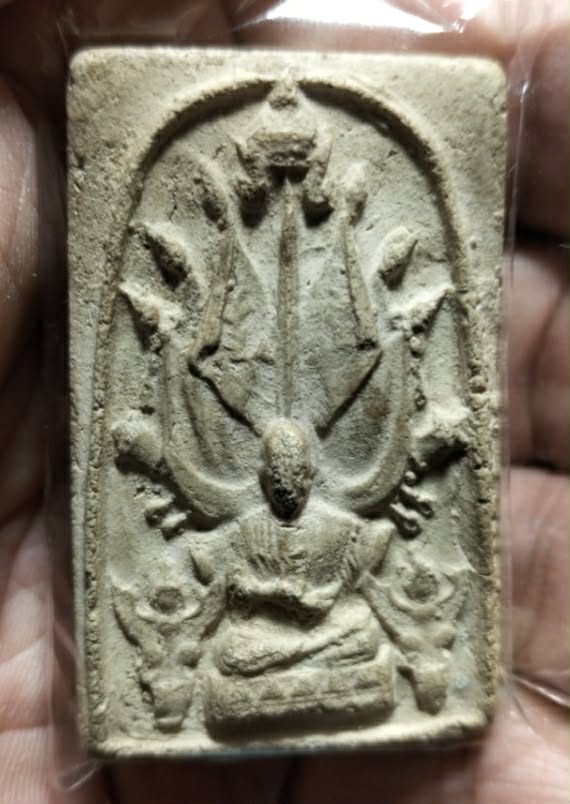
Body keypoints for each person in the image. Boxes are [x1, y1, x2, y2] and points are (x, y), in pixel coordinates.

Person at [0, 1, 568, 802]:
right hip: (252, 663)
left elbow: (391, 589)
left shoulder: (345, 525)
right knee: (246, 662)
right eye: (280, 467)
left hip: (339, 655)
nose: (290, 478)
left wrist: (424, 657)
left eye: (297, 466)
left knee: (342, 650)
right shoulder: (238, 530)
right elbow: (195, 601)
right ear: (265, 469)